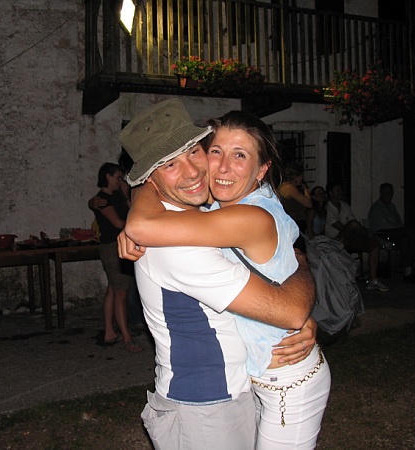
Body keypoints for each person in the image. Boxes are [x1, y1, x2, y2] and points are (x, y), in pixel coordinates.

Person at [121, 109, 330, 449]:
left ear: (262, 170)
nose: (200, 170)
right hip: (207, 398)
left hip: (270, 382)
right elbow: (290, 309)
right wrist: (138, 209)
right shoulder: (185, 235)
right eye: (216, 151)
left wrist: (300, 288)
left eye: (194, 151)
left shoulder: (227, 214)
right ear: (151, 178)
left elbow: (291, 309)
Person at [91, 162, 142, 352]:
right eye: (117, 177)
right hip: (112, 248)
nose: (120, 181)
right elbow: (119, 223)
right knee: (121, 293)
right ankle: (127, 338)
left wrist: (126, 195)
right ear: (107, 177)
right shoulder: (102, 199)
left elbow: (131, 210)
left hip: (117, 247)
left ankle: (109, 332)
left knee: (113, 290)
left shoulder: (117, 196)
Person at [325, 181, 389, 292]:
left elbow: (352, 221)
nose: (340, 193)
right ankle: (372, 236)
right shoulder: (327, 207)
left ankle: (373, 280)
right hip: (335, 239)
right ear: (331, 193)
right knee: (353, 225)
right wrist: (359, 231)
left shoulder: (345, 205)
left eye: (341, 190)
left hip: (349, 238)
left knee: (374, 246)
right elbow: (341, 226)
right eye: (337, 190)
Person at [367, 183, 415, 283]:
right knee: (408, 233)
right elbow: (383, 226)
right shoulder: (376, 208)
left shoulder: (392, 207)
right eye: (386, 193)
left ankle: (408, 272)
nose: (389, 196)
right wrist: (399, 228)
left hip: (396, 233)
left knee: (404, 239)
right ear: (381, 193)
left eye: (390, 194)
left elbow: (399, 222)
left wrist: (400, 229)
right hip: (382, 234)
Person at [278, 161, 312, 250]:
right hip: (295, 222)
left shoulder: (283, 186)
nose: (302, 178)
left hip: (292, 222)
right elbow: (308, 204)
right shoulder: (289, 188)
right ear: (295, 176)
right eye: (301, 176)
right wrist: (306, 190)